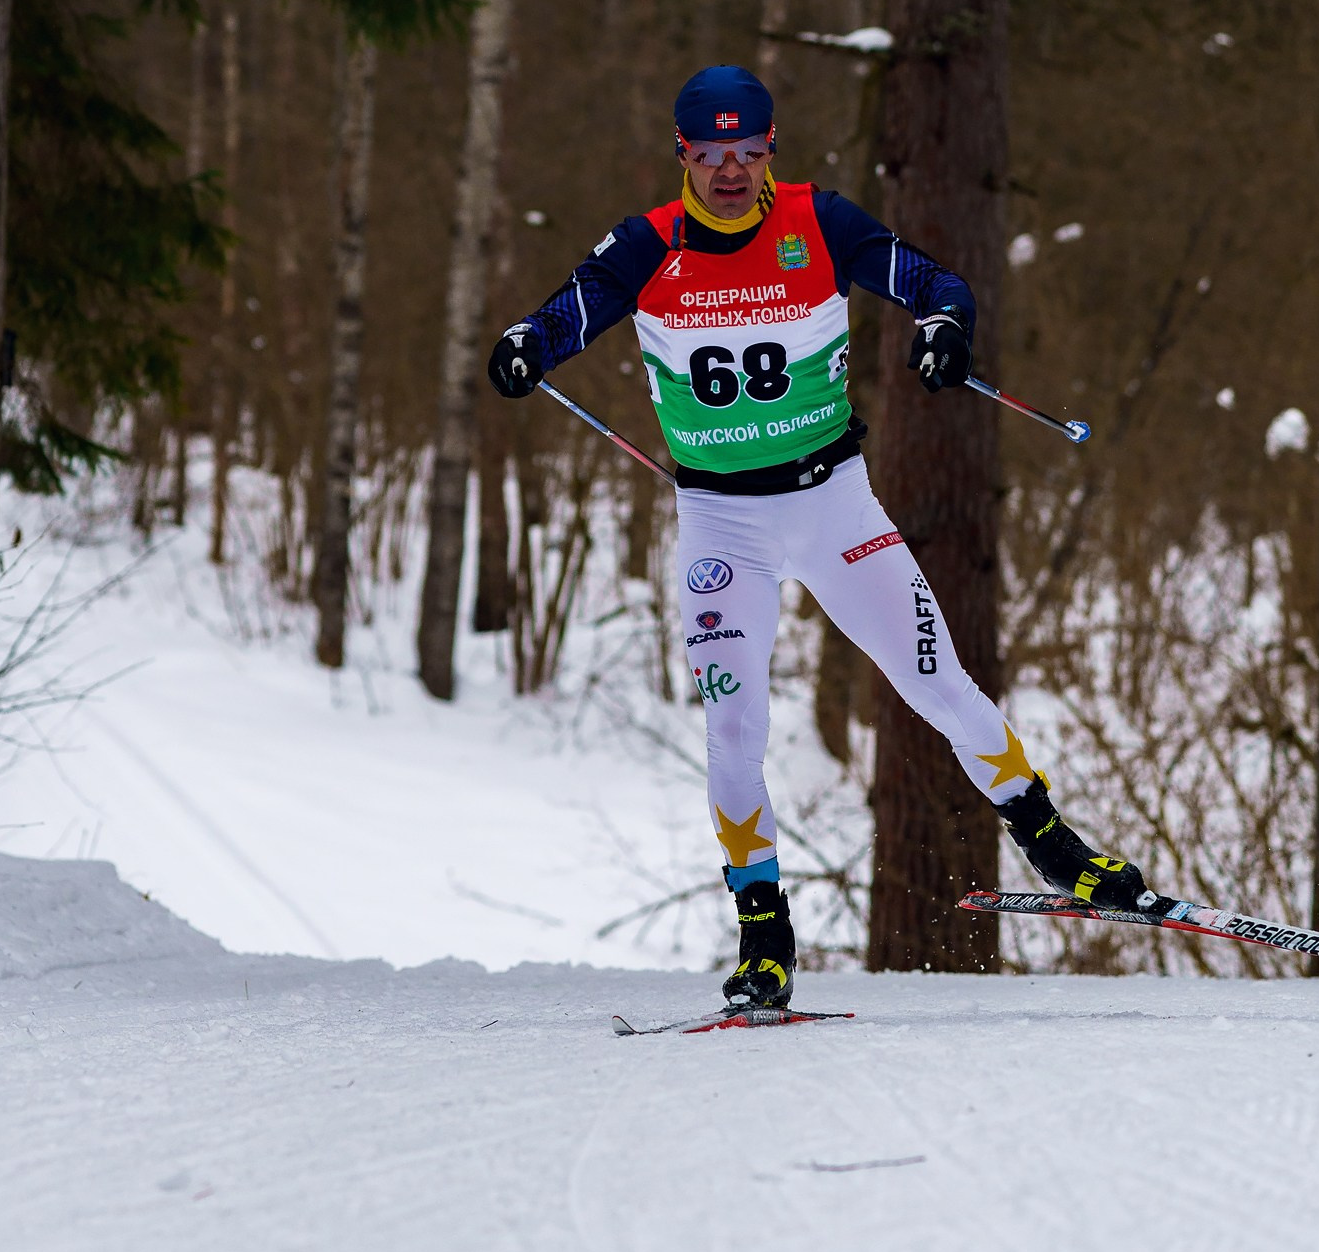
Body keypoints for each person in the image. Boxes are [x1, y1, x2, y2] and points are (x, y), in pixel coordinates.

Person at [487, 62, 1150, 1010]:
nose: (728, 172)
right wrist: (526, 344)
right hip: (722, 522)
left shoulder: (820, 223)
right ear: (682, 154)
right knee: (734, 728)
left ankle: (1058, 851)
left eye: (746, 152)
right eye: (709, 154)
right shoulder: (648, 246)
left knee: (938, 680)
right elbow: (572, 310)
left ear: (771, 152)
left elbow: (932, 280)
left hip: (833, 504)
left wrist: (945, 325)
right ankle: (764, 932)